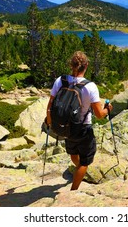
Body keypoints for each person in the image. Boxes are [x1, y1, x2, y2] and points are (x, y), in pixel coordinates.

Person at [46, 51, 113, 190]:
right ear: (86, 65)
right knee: (84, 162)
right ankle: (74, 190)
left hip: (66, 127)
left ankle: (77, 171)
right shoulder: (90, 87)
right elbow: (99, 114)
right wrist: (108, 109)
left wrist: (49, 120)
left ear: (71, 65)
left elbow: (50, 103)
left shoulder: (61, 80)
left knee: (73, 153)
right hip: (83, 129)